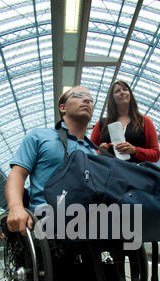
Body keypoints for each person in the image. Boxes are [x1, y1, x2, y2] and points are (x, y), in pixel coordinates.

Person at [91, 80, 160, 281]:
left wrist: (134, 150)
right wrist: (100, 150)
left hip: (135, 181)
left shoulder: (144, 122)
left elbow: (155, 154)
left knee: (134, 230)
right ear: (112, 98)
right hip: (111, 183)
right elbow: (89, 152)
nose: (122, 93)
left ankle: (137, 277)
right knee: (115, 231)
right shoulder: (102, 125)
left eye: (125, 89)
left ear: (131, 94)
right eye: (117, 91)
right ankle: (119, 278)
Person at [6, 85, 97, 236]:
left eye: (91, 99)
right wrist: (16, 207)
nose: (86, 99)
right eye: (78, 95)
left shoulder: (93, 152)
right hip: (47, 216)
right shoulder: (39, 137)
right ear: (63, 107)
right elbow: (17, 174)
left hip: (86, 217)